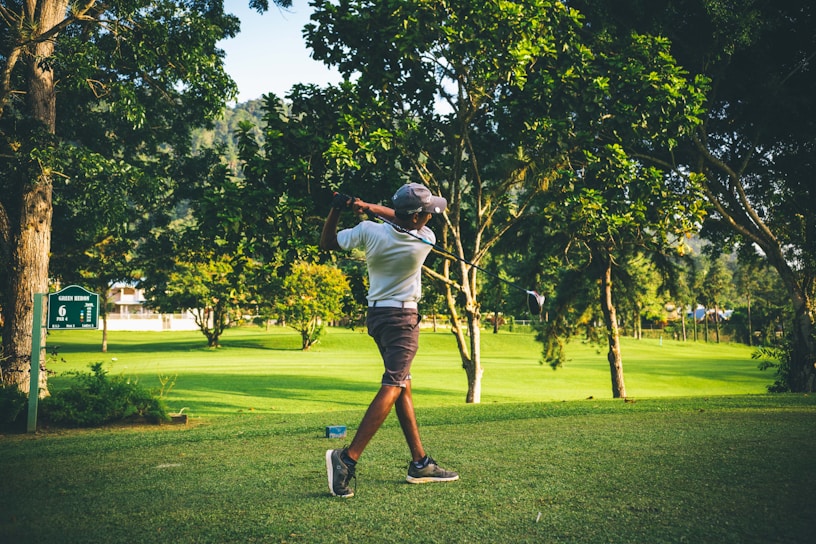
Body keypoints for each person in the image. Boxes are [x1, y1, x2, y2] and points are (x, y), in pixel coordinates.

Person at [319, 182, 459, 498]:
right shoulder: (424, 240)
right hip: (403, 322)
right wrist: (367, 204)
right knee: (393, 385)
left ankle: (420, 462)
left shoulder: (369, 231)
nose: (430, 217)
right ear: (415, 219)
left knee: (403, 385)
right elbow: (400, 219)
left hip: (378, 318)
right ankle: (347, 459)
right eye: (426, 212)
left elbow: (327, 243)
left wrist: (340, 206)